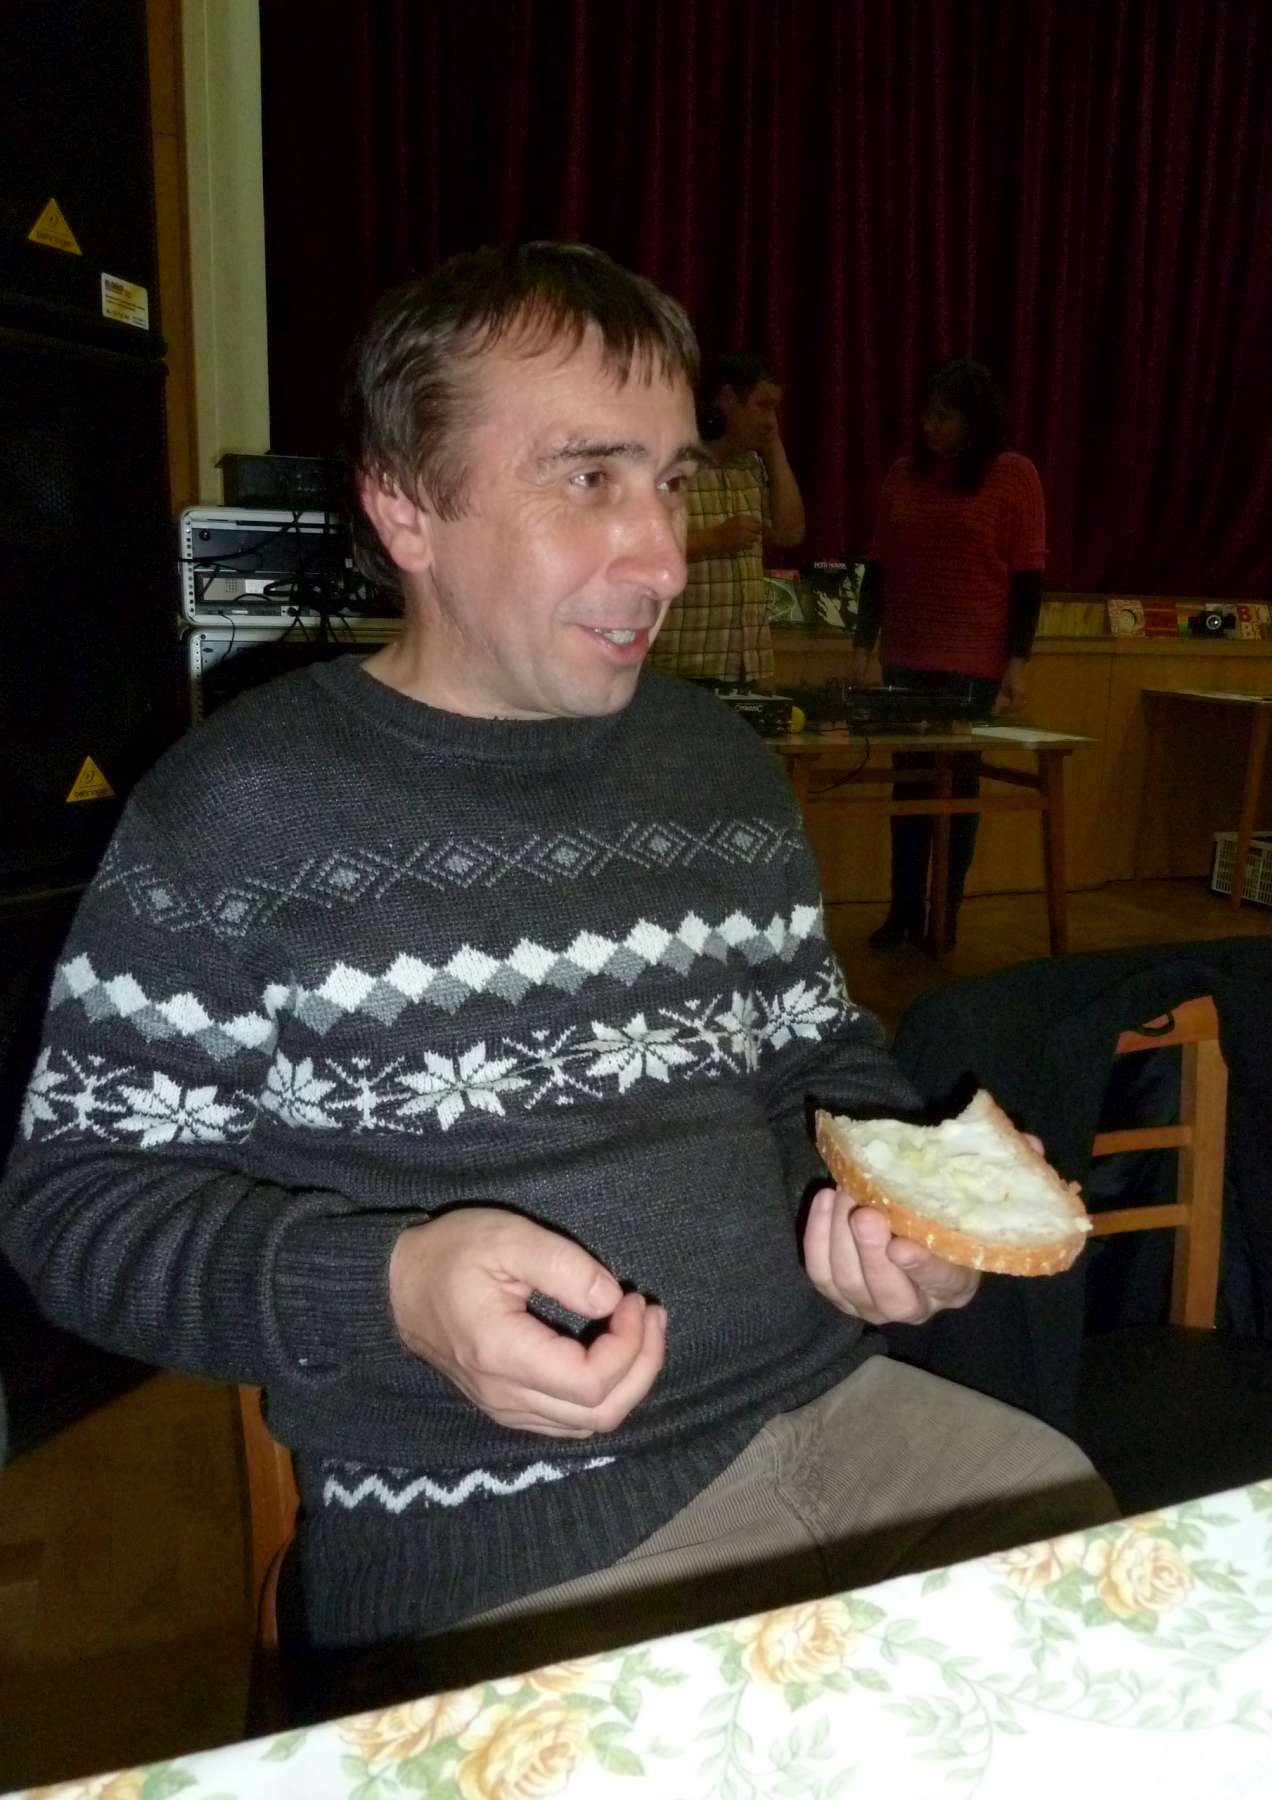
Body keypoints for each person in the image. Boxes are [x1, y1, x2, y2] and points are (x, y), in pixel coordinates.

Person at [0, 248, 1107, 1677]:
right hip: (494, 1535)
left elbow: (819, 1061)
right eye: (588, 478)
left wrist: (897, 1209)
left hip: (844, 1416)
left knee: (1121, 1642)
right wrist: (389, 1287)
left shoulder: (716, 766)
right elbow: (74, 1210)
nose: (660, 557)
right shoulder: (233, 815)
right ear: (405, 505)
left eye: (671, 481)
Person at [854, 360, 1046, 951]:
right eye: (927, 414)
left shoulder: (1013, 475)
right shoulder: (902, 476)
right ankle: (903, 911)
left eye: (945, 416)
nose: (930, 426)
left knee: (956, 796)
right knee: (909, 790)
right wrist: (863, 647)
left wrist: (1018, 663)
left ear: (975, 419)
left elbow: (1028, 579)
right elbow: (878, 569)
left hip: (972, 663)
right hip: (907, 655)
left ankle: (945, 917)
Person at [647, 349, 805, 686]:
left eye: (775, 410)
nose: (771, 420)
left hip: (746, 668)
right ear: (728, 399)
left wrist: (773, 447)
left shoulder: (751, 466)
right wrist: (712, 540)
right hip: (682, 669)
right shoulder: (672, 464)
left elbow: (790, 533)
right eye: (763, 406)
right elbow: (641, 551)